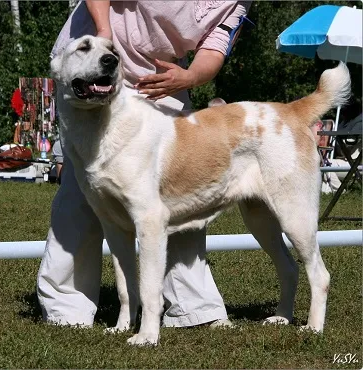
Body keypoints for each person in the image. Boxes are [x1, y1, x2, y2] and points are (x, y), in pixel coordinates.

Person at [38, 0, 250, 329]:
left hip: (162, 79)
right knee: (85, 193)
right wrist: (105, 35)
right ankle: (67, 308)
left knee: (179, 190)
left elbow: (215, 47)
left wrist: (191, 76)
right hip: (91, 54)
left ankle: (193, 308)